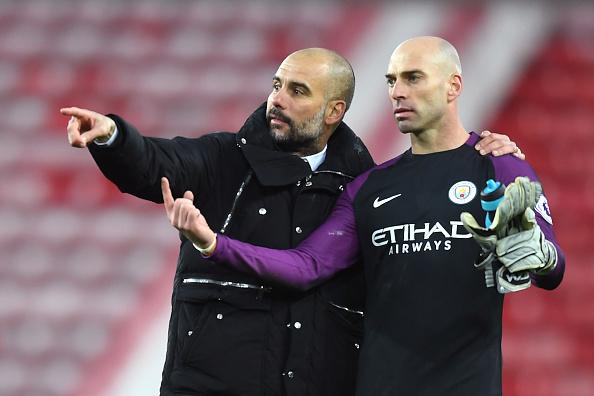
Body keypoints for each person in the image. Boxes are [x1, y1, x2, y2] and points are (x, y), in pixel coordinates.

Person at [62, 47, 523, 396]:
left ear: (334, 112)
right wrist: (113, 137)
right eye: (277, 84)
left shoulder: (364, 186)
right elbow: (154, 162)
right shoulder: (223, 159)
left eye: (297, 91)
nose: (277, 99)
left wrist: (488, 152)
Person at [165, 38, 565, 396]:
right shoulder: (369, 186)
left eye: (413, 78)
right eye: (392, 80)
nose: (398, 92)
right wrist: (214, 243)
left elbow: (552, 269)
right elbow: (306, 266)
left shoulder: (499, 167)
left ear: (453, 86)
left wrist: (538, 255)